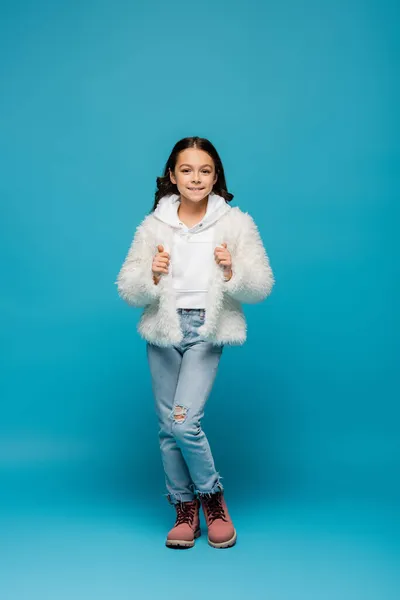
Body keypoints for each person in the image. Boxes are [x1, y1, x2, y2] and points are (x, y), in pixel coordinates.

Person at [115, 136, 275, 549]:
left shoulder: (235, 223)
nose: (196, 178)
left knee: (185, 422)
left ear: (216, 175)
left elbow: (260, 286)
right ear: (172, 175)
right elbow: (129, 288)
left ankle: (212, 497)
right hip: (164, 330)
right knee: (168, 429)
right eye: (186, 170)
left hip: (206, 331)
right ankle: (184, 509)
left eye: (205, 170)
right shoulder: (153, 225)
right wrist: (150, 274)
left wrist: (230, 269)